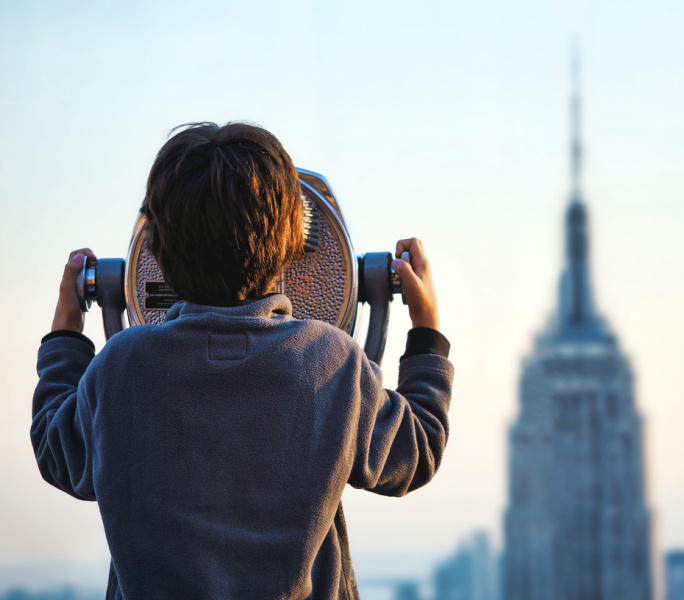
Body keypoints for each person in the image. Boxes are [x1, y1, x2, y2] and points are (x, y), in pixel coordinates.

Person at [31, 122, 454, 600]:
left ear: (156, 251)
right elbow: (418, 450)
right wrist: (426, 332)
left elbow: (56, 451)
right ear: (293, 243)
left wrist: (66, 330)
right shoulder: (330, 363)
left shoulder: (121, 368)